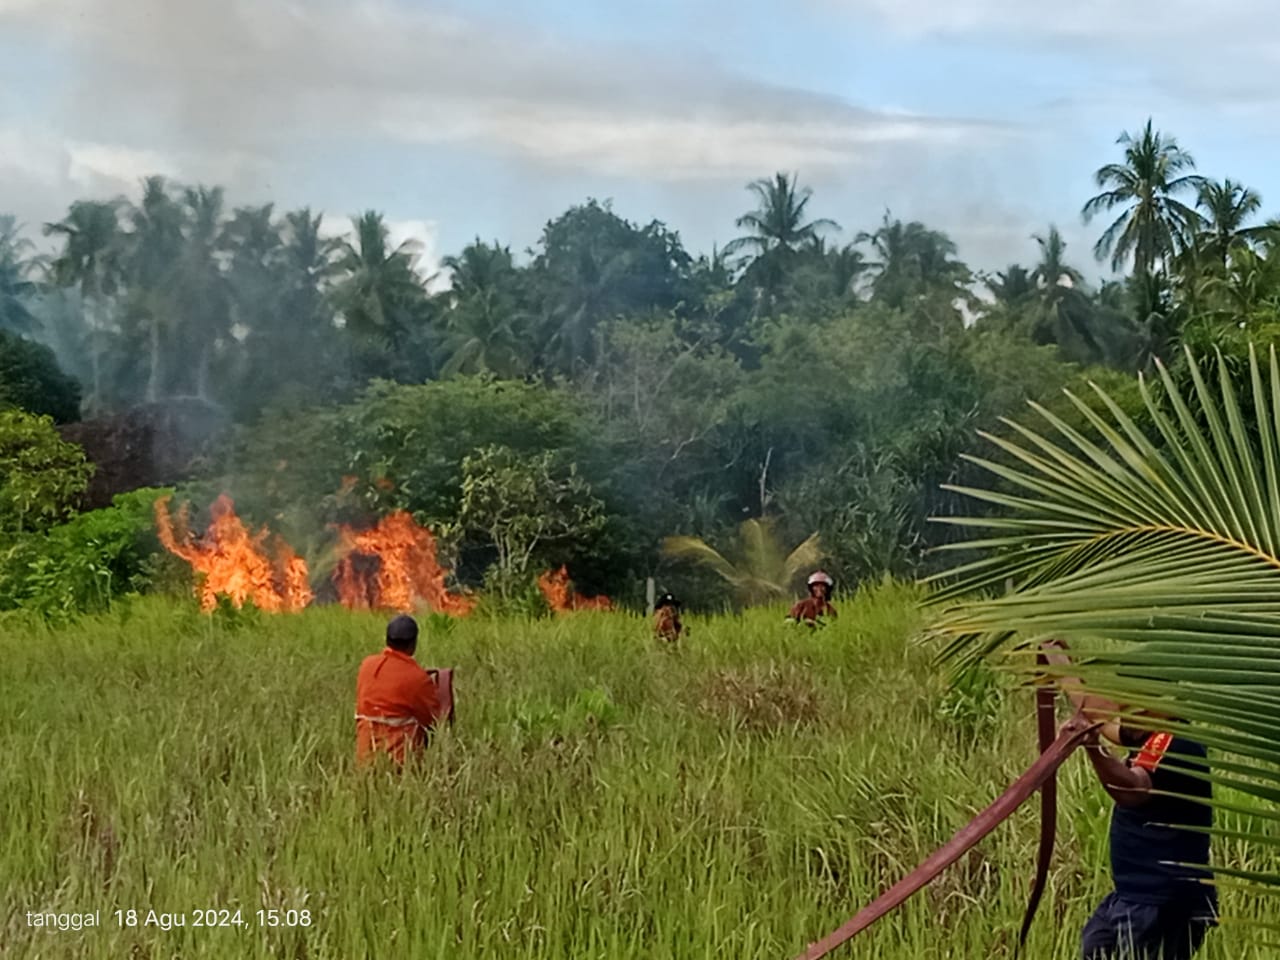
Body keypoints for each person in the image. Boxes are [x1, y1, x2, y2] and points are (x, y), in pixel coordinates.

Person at [1046, 641, 1217, 960]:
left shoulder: (1175, 741)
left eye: (1133, 708)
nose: (1125, 718)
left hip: (1161, 901)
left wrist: (1093, 748)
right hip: (1135, 896)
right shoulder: (1149, 730)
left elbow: (1133, 789)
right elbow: (1103, 721)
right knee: (1095, 946)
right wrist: (1059, 662)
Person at [354, 614, 446, 766]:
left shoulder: (366, 665)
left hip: (365, 757)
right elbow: (432, 720)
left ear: (387, 640)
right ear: (413, 644)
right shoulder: (418, 678)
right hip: (400, 762)